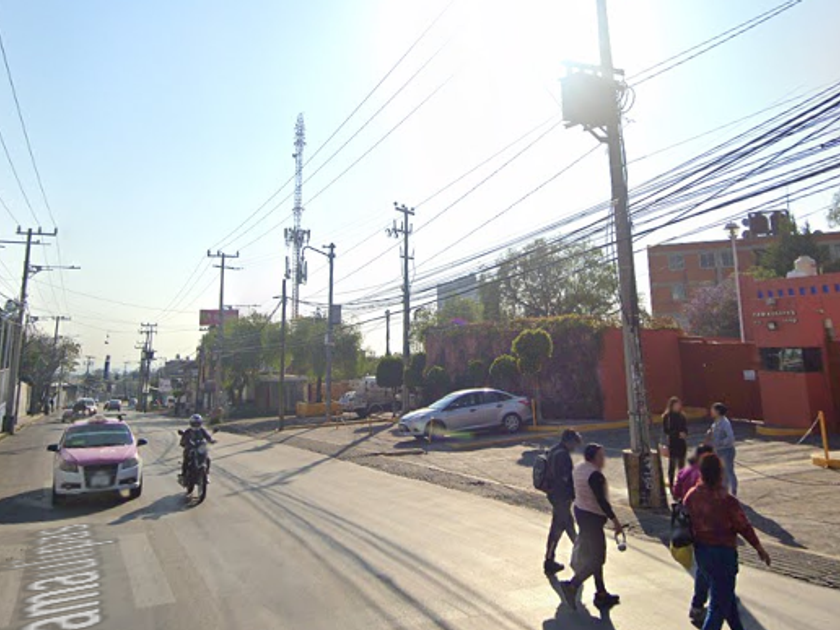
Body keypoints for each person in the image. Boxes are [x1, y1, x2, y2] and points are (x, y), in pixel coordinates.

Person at [684, 453, 770, 630]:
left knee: (726, 599)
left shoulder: (691, 496)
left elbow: (685, 520)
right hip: (723, 555)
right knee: (717, 607)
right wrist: (759, 548)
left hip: (702, 553)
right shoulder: (726, 500)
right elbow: (743, 526)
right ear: (720, 474)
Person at [559, 443, 623, 611]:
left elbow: (573, 488)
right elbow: (602, 502)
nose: (604, 459)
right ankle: (573, 585)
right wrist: (616, 521)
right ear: (594, 458)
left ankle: (601, 593)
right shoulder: (595, 475)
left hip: (581, 512)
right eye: (601, 456)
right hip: (592, 518)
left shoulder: (579, 468)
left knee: (593, 556)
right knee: (598, 558)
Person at [672, 444, 714, 627]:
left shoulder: (685, 471)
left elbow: (676, 492)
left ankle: (704, 603)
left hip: (689, 525)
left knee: (702, 565)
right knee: (706, 569)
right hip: (706, 527)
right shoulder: (703, 475)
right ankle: (700, 605)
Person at [543, 429, 582, 575]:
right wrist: (573, 494)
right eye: (574, 444)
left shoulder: (554, 450)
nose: (575, 448)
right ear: (569, 441)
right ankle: (580, 558)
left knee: (560, 527)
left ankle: (550, 560)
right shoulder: (563, 455)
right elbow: (565, 478)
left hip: (554, 495)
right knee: (565, 528)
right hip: (562, 497)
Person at [706, 402, 738, 496]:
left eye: (713, 410)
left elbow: (731, 437)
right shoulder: (715, 423)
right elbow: (712, 434)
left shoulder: (725, 423)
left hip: (726, 450)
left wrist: (720, 443)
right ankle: (725, 491)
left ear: (718, 411)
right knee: (722, 472)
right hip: (718, 451)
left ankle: (733, 491)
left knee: (728, 471)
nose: (711, 412)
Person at [662, 396, 689, 492]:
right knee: (672, 465)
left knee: (681, 465)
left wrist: (685, 433)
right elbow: (666, 430)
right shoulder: (667, 417)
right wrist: (677, 434)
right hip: (672, 443)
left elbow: (685, 428)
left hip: (681, 443)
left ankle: (681, 484)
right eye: (676, 405)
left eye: (679, 404)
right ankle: (671, 484)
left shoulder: (682, 416)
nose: (678, 406)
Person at [179, 414, 216, 483]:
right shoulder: (188, 431)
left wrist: (211, 440)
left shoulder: (202, 430)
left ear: (200, 423)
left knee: (207, 459)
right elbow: (183, 440)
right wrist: (184, 443)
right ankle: (183, 475)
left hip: (199, 448)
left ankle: (206, 474)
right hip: (190, 449)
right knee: (186, 460)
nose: (196, 425)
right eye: (194, 423)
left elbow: (208, 437)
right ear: (191, 423)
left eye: (197, 423)